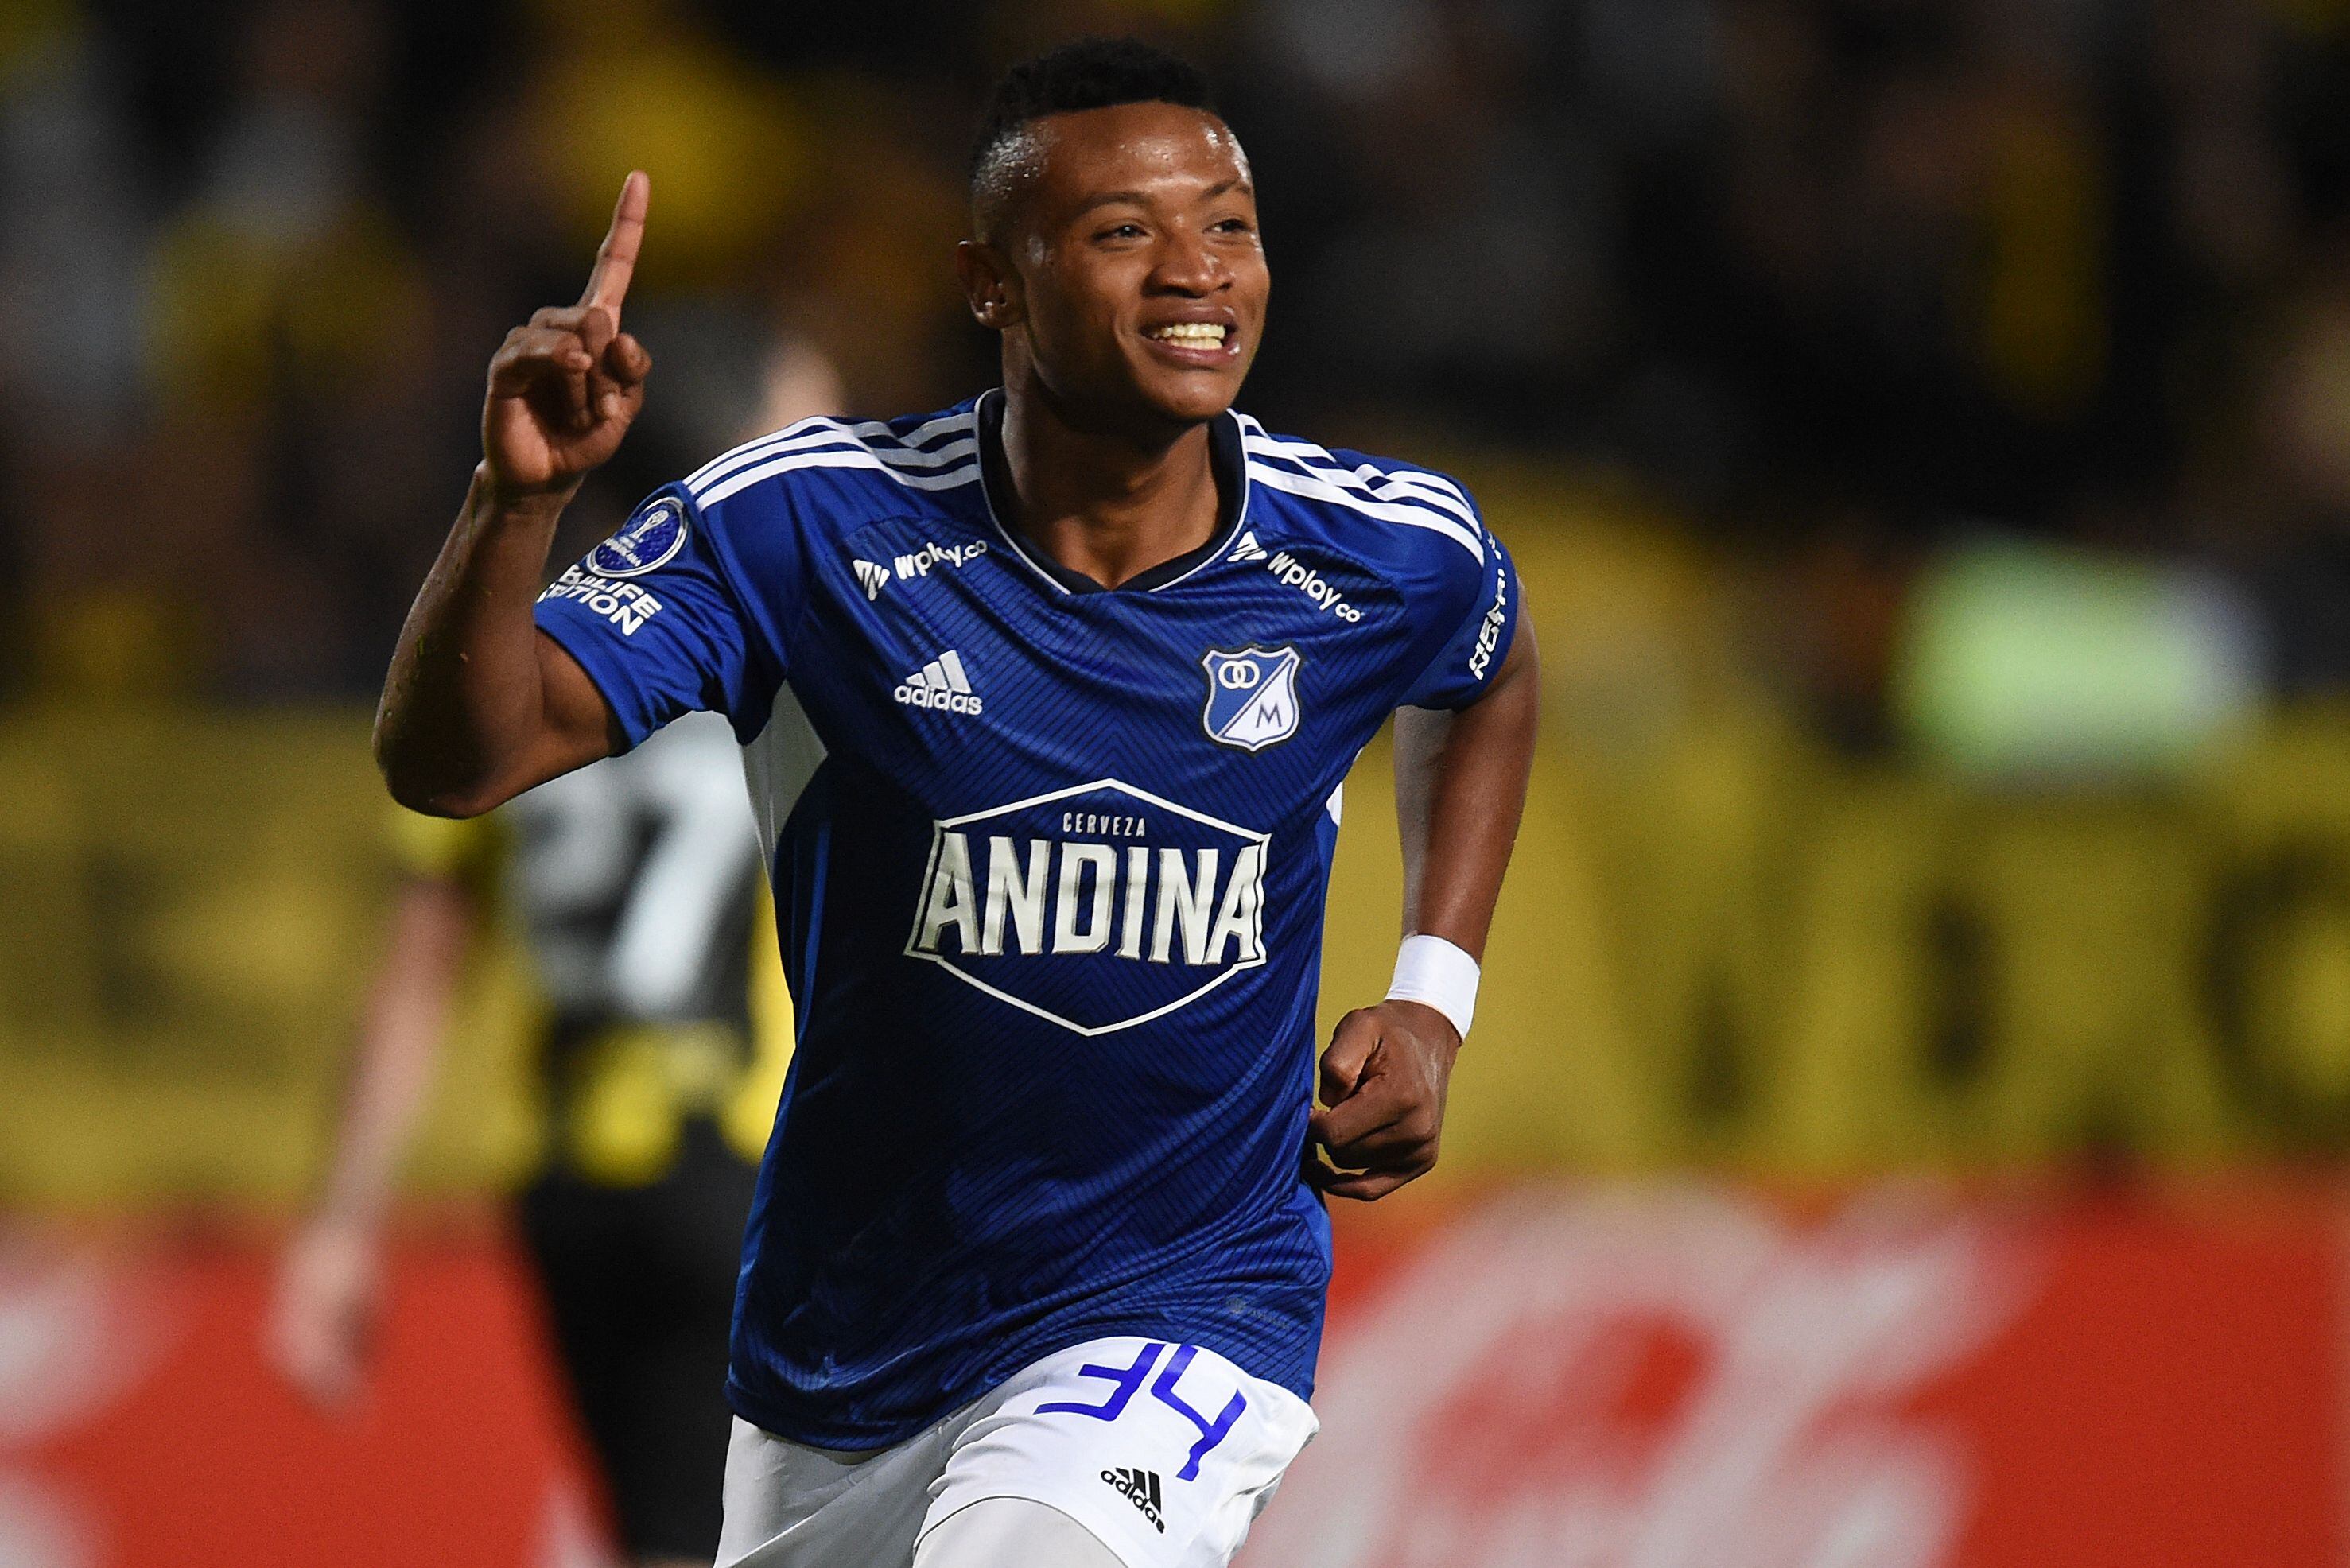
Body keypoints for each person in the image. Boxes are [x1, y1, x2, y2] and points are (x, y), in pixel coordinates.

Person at [372, 36, 1539, 1568]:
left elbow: (1487, 667)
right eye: (1124, 231)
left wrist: (1432, 994)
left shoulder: (1376, 548)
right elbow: (455, 762)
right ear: (991, 281)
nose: (1196, 271)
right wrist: (512, 501)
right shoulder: (806, 525)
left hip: (1183, 1298)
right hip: (847, 1340)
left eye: (1229, 225)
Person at [269, 710, 787, 1568]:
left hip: (564, 1170)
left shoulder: (499, 676)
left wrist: (341, 1223)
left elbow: (414, 974)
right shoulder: (771, 656)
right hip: (742, 1160)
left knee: (663, 1525)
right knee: (726, 1529)